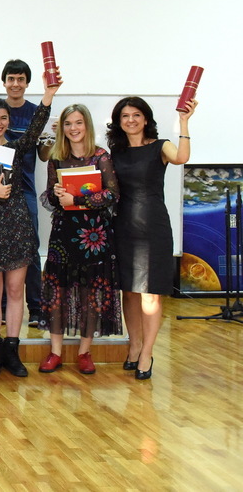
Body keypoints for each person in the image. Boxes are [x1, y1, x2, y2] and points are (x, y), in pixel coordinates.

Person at [0, 75, 60, 377]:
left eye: (3, 118)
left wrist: (48, 95)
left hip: (17, 223)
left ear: (9, 121)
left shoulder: (17, 148)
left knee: (16, 289)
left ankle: (13, 351)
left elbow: (36, 127)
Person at [107, 96, 196, 380]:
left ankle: (147, 352)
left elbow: (182, 158)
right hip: (123, 226)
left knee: (150, 294)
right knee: (129, 291)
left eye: (136, 115)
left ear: (146, 119)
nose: (131, 120)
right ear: (119, 122)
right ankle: (134, 346)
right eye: (125, 116)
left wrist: (184, 121)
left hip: (153, 228)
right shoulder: (115, 152)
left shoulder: (161, 146)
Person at [38, 104, 122, 375]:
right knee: (57, 292)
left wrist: (77, 199)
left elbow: (112, 194)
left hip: (94, 235)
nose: (73, 128)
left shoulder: (100, 156)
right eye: (68, 123)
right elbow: (50, 198)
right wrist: (57, 194)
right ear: (62, 128)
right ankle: (55, 352)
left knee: (91, 293)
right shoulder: (56, 158)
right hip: (63, 235)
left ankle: (85, 352)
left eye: (78, 122)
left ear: (86, 125)